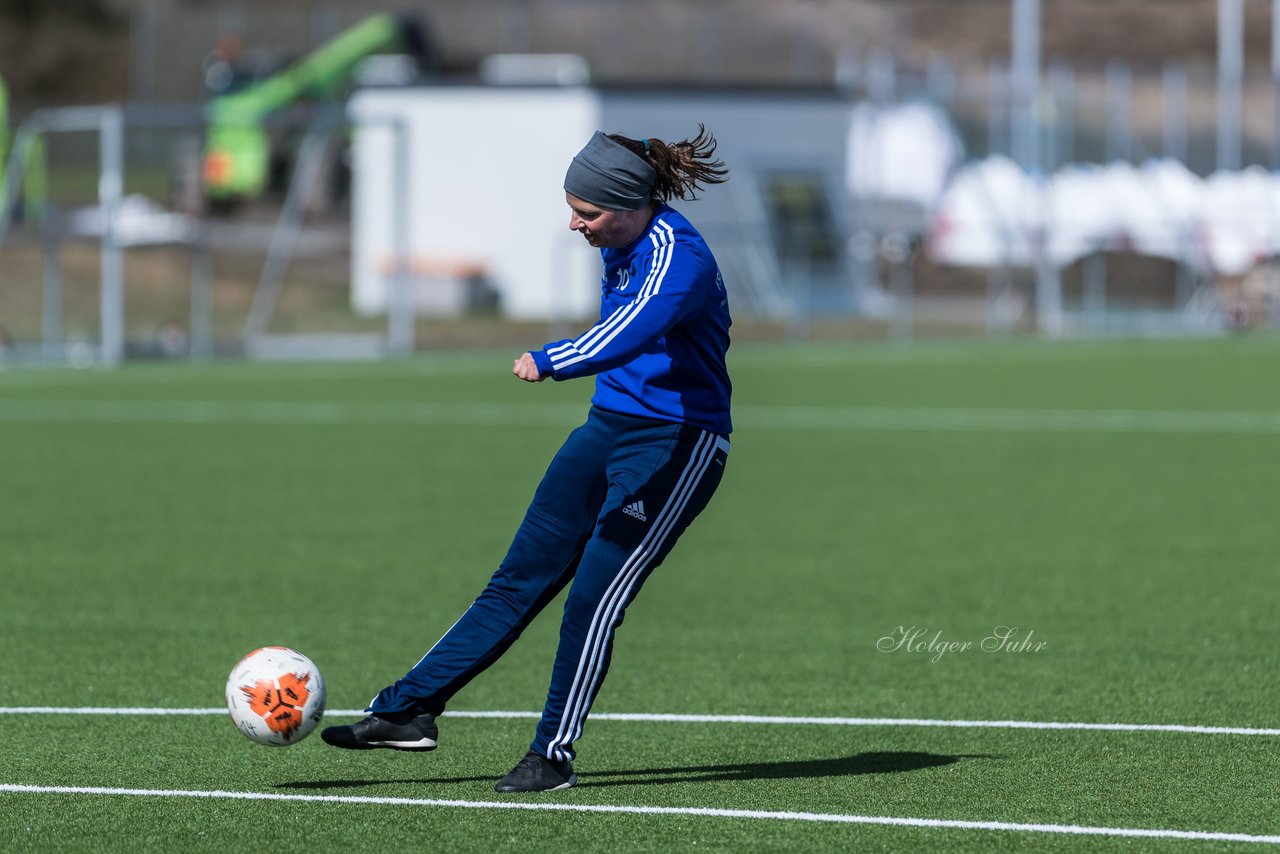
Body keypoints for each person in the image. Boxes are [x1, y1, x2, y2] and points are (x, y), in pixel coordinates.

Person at [322, 126, 733, 793]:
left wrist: (552, 359)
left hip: (677, 444)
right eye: (571, 207)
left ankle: (552, 756)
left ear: (630, 206)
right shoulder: (622, 235)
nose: (574, 223)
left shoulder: (676, 254)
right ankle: (407, 711)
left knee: (593, 602)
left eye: (588, 213)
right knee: (516, 580)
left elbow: (635, 330)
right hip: (606, 431)